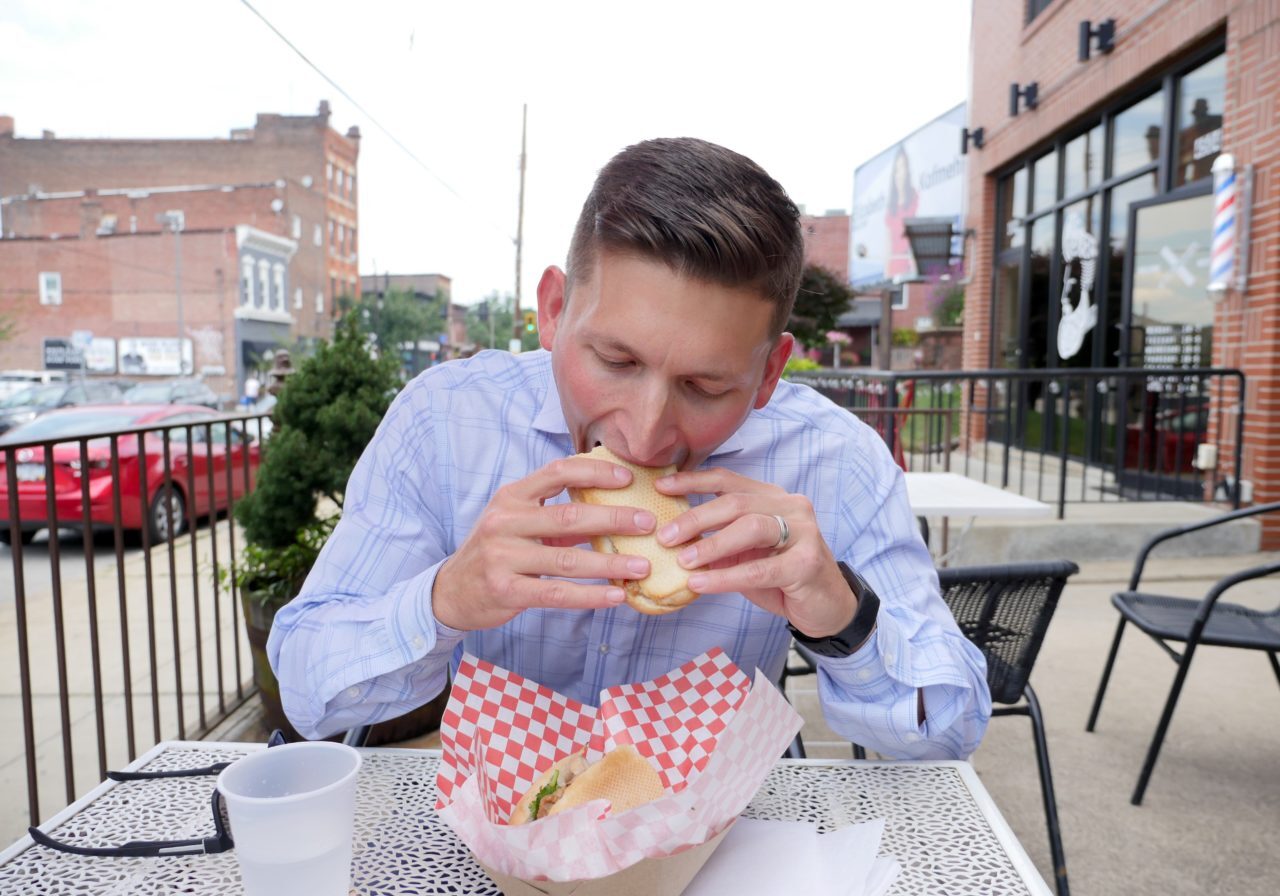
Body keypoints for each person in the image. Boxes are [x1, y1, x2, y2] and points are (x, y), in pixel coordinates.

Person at [268, 137, 989, 759]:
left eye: (705, 386)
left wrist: (842, 615)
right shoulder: (447, 420)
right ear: (553, 311)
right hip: (500, 843)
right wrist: (444, 599)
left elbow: (950, 731)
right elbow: (307, 690)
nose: (645, 433)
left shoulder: (834, 460)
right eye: (614, 361)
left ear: (769, 373)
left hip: (714, 850)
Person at [883, 146, 919, 279]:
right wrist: (887, 275)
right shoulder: (891, 207)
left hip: (911, 266)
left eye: (903, 167)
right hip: (894, 267)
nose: (900, 174)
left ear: (907, 170)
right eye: (897, 169)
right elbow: (888, 247)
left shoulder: (914, 197)